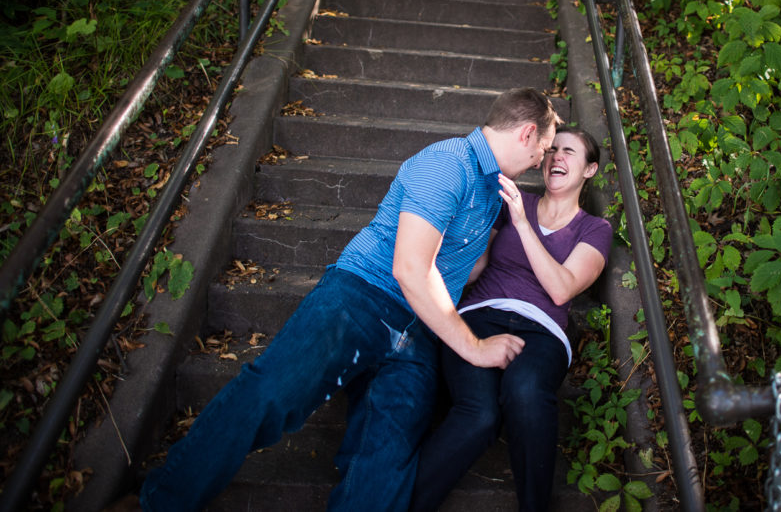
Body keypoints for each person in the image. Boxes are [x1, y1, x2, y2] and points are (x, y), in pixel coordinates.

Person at [138, 87, 560, 512]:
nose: (540, 163)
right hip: (361, 297)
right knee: (269, 394)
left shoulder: (492, 192)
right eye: (543, 150)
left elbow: (465, 268)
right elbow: (410, 269)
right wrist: (474, 345)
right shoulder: (447, 163)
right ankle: (160, 503)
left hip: (417, 335)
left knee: (383, 468)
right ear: (527, 133)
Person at [410, 126, 613, 512]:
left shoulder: (594, 228)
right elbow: (473, 269)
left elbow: (561, 289)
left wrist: (523, 222)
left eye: (570, 152)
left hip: (543, 332)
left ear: (589, 170)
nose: (557, 157)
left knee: (525, 389)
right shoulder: (512, 202)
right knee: (479, 414)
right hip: (480, 316)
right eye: (552, 149)